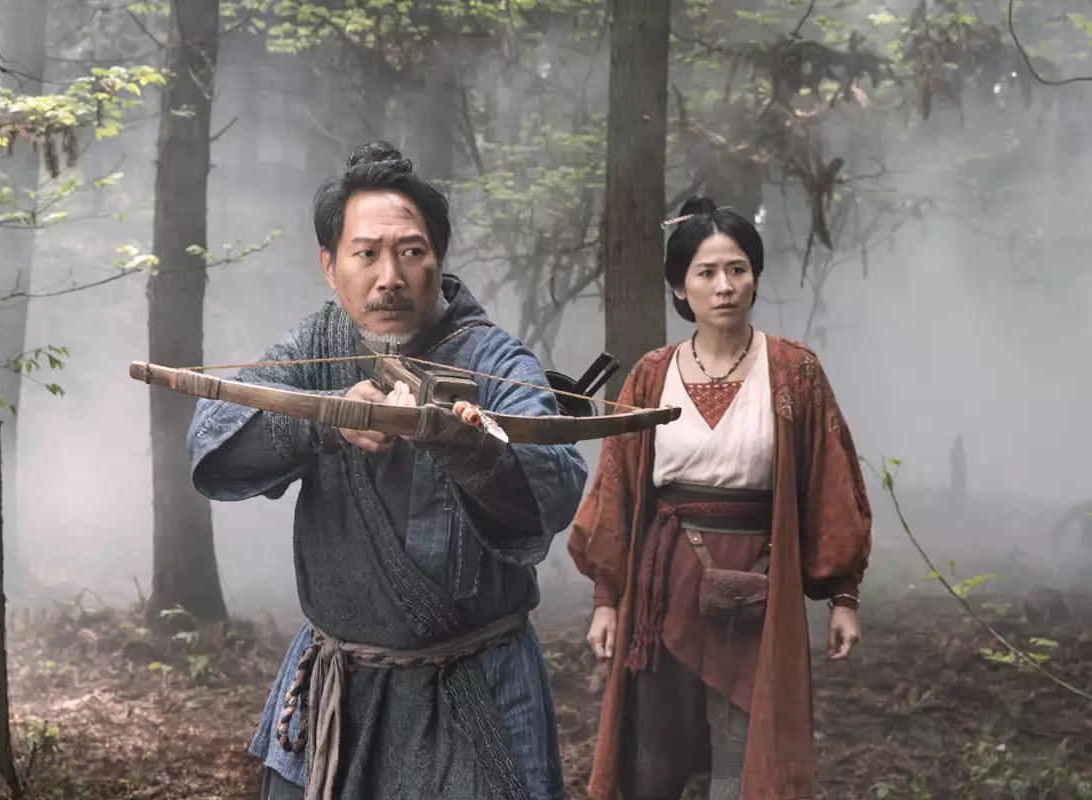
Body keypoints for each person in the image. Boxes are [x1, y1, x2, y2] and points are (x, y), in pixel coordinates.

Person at [187, 141, 588, 800]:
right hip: (339, 690)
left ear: (437, 258)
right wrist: (326, 419)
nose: (389, 277)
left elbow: (555, 484)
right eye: (366, 253)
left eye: (410, 251)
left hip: (474, 688)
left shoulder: (494, 359)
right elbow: (214, 446)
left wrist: (459, 442)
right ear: (330, 265)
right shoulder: (315, 348)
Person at [566, 196, 872, 800]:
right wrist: (606, 598)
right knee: (655, 749)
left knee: (745, 744)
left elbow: (832, 486)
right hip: (663, 587)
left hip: (761, 587)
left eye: (737, 269)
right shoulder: (651, 374)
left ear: (755, 276)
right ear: (680, 288)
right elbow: (615, 492)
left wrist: (843, 596)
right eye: (706, 272)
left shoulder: (794, 370)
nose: (724, 286)